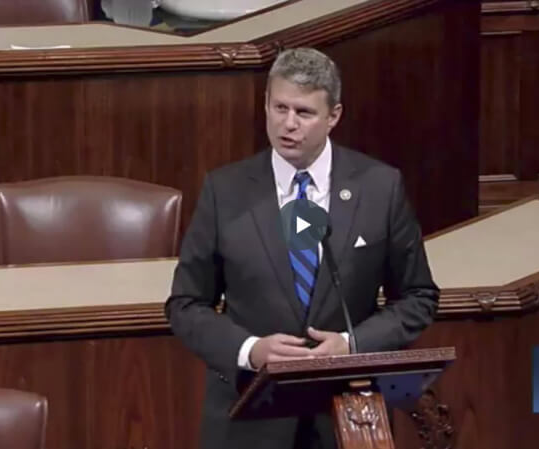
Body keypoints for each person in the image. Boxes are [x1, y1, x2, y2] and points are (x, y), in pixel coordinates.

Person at [166, 47, 439, 449]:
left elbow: (418, 297)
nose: (288, 124)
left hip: (345, 418)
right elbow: (186, 304)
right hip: (249, 418)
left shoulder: (380, 188)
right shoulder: (225, 191)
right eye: (280, 108)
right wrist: (250, 350)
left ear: (334, 116)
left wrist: (351, 345)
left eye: (304, 112)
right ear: (265, 104)